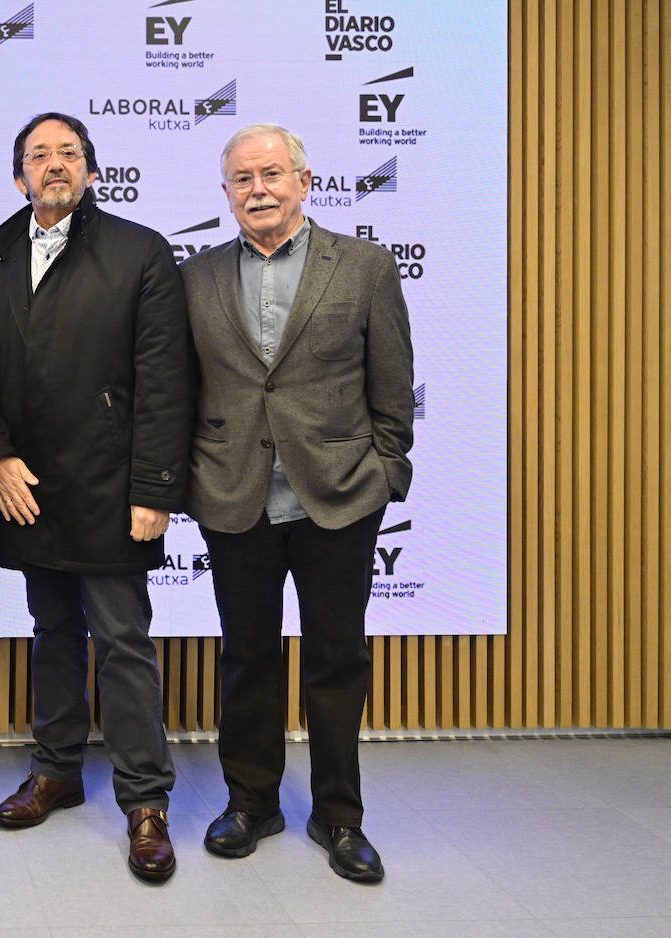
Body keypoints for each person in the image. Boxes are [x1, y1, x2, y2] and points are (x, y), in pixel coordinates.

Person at [181, 123, 414, 883]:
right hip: (235, 497)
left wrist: (387, 473)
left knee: (336, 660)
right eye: (243, 179)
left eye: (273, 174)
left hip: (340, 499)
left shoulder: (367, 267)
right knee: (247, 658)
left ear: (305, 182)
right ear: (226, 195)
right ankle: (251, 803)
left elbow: (392, 385)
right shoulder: (198, 277)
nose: (259, 190)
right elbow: (180, 391)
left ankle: (340, 817)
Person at [0, 113, 191, 883]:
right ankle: (56, 770)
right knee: (51, 630)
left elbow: (166, 382)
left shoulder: (140, 252)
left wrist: (155, 487)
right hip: (27, 487)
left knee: (123, 642)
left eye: (68, 153)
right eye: (39, 155)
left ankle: (145, 801)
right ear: (19, 176)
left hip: (112, 488)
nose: (54, 165)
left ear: (92, 171)